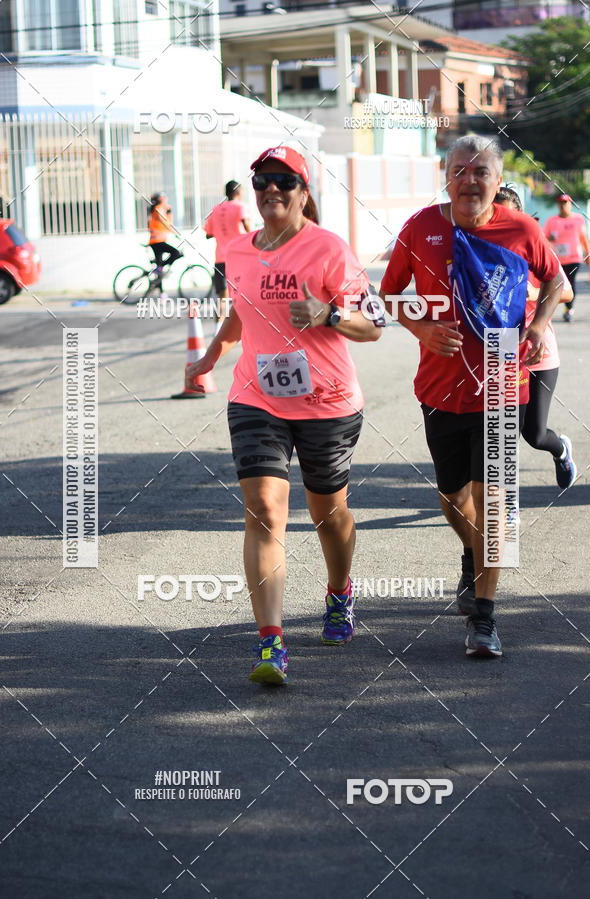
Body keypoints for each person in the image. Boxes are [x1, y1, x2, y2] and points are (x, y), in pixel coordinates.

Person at [186, 145, 384, 685]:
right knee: (265, 510)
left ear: (304, 191)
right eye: (262, 181)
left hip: (327, 402)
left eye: (283, 181)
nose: (271, 189)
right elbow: (238, 310)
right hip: (256, 397)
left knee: (327, 513)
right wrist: (210, 355)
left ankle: (340, 592)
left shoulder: (329, 248)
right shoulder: (239, 251)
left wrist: (329, 313)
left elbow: (373, 325)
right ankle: (271, 643)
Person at [380, 135, 563, 658]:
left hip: (505, 385)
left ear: (496, 179)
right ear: (446, 174)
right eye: (459, 170)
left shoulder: (522, 227)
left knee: (495, 507)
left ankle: (484, 619)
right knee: (453, 500)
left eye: (480, 171)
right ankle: (475, 553)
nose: (469, 180)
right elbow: (390, 293)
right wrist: (423, 331)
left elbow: (554, 281)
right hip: (440, 389)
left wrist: (538, 326)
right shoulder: (421, 227)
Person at [495, 187, 577, 489]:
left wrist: (532, 292)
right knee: (505, 433)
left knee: (535, 434)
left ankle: (562, 450)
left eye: (507, 213)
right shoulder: (482, 253)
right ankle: (505, 503)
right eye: (496, 213)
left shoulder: (535, 247)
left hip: (539, 353)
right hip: (502, 353)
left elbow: (565, 291)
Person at [203, 181, 251, 324]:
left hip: (220, 259)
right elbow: (247, 226)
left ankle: (218, 329)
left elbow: (208, 234)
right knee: (243, 294)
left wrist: (220, 232)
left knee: (222, 296)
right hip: (239, 258)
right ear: (238, 192)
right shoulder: (240, 206)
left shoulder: (216, 209)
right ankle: (245, 326)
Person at [543, 193, 590, 322]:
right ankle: (551, 310)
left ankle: (569, 309)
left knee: (570, 281)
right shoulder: (551, 221)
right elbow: (543, 237)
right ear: (558, 205)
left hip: (574, 258)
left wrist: (588, 254)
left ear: (570, 204)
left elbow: (583, 238)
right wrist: (549, 238)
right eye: (561, 203)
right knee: (557, 284)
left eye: (565, 203)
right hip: (557, 259)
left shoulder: (578, 219)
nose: (563, 205)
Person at [147, 192, 183, 296]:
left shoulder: (157, 209)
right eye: (165, 198)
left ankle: (162, 293)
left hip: (156, 241)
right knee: (176, 253)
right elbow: (166, 223)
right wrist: (176, 233)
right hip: (157, 241)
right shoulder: (159, 209)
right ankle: (159, 268)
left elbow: (166, 222)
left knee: (160, 271)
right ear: (162, 199)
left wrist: (169, 212)